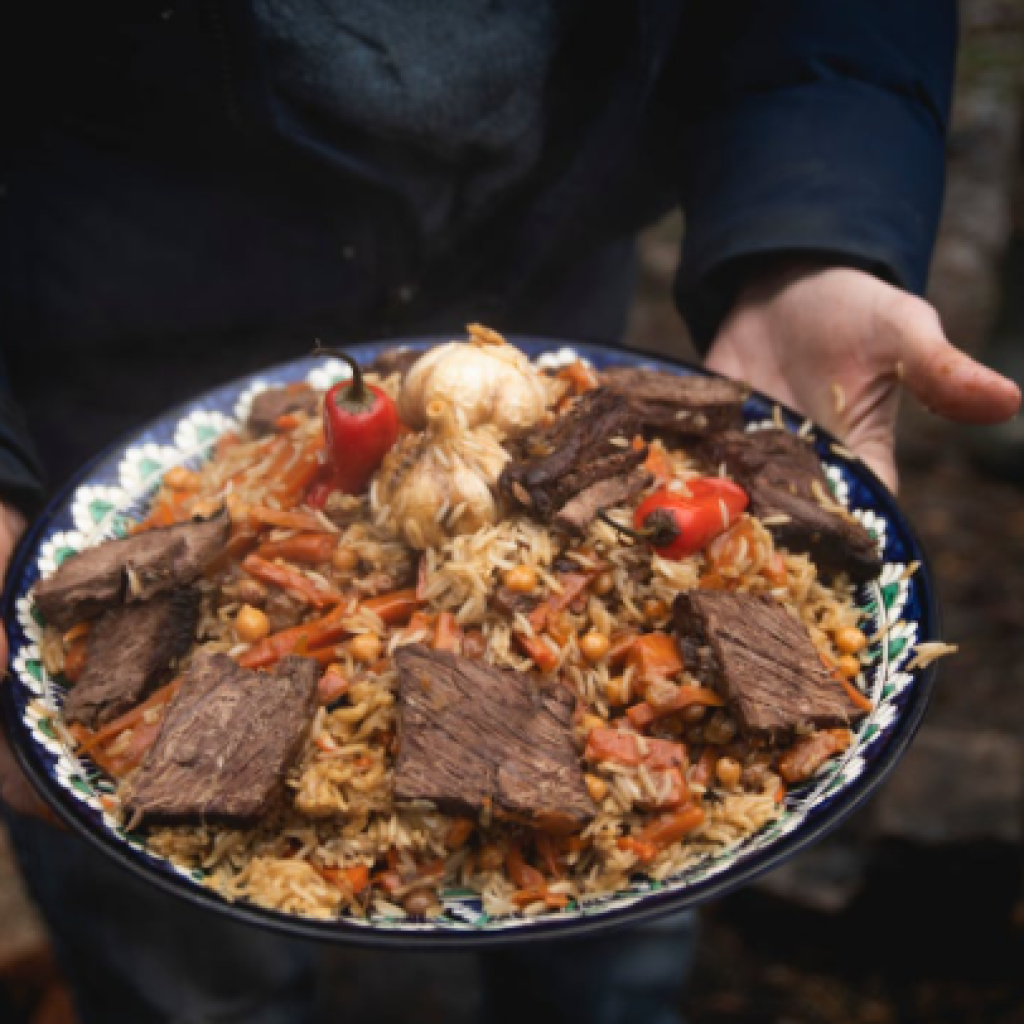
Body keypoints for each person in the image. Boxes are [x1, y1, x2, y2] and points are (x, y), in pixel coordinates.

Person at [0, 2, 1019, 1023]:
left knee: (617, 937)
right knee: (184, 974)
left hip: (542, 266)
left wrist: (814, 234)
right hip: (109, 354)